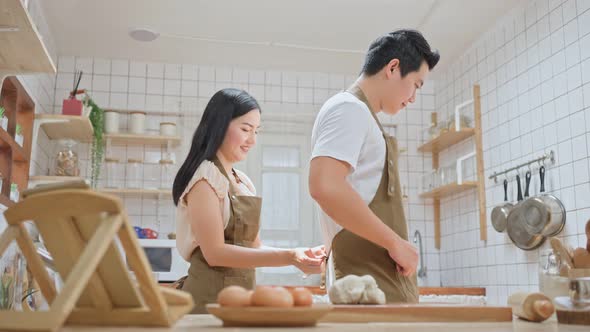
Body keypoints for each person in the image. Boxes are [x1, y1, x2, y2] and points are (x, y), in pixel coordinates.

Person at [309, 29, 439, 303]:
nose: (414, 97)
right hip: (369, 282)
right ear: (393, 67)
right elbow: (325, 186)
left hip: (377, 282)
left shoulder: (360, 115)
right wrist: (396, 244)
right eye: (416, 84)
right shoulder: (349, 108)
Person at [173, 88, 325, 313]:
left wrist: (300, 253)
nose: (252, 140)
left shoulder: (242, 181)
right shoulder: (205, 177)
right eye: (245, 129)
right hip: (207, 302)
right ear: (220, 126)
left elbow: (255, 248)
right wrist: (290, 257)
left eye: (256, 131)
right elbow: (215, 253)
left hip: (242, 301)